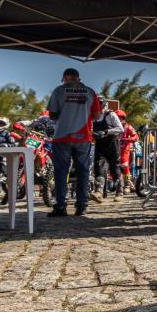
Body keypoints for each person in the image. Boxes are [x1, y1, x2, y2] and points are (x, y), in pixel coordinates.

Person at [47, 68, 100, 216]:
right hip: (83, 137)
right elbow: (96, 115)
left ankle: (60, 206)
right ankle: (81, 206)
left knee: (61, 172)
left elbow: (52, 114)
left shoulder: (59, 91)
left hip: (62, 136)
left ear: (65, 78)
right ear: (78, 78)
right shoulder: (90, 92)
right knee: (83, 171)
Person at [91, 96, 123, 201]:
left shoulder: (111, 114)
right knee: (99, 168)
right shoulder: (93, 116)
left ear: (103, 104)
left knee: (115, 169)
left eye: (98, 104)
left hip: (112, 145)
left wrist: (106, 132)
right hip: (100, 145)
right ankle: (99, 192)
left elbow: (120, 129)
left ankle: (119, 192)